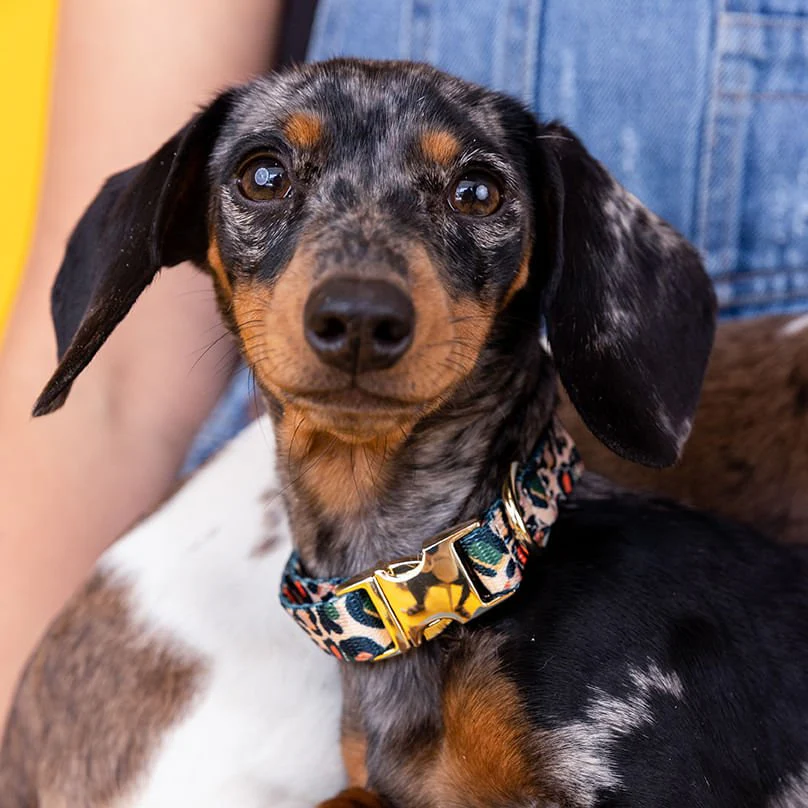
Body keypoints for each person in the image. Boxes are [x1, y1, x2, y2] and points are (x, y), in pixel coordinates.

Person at [2, 0, 806, 725]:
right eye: (268, 177)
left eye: (475, 196)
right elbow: (119, 392)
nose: (359, 308)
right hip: (276, 576)